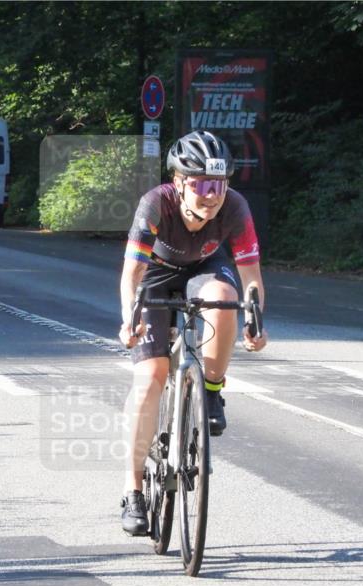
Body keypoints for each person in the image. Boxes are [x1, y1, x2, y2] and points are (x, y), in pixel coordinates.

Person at [117, 130, 268, 536]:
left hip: (204, 268)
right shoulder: (155, 204)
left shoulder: (235, 208)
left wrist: (255, 322)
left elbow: (251, 276)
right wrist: (129, 320)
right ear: (180, 182)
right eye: (202, 184)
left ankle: (213, 392)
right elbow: (132, 273)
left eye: (218, 185)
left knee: (224, 296)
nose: (212, 195)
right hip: (155, 275)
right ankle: (132, 491)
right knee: (149, 379)